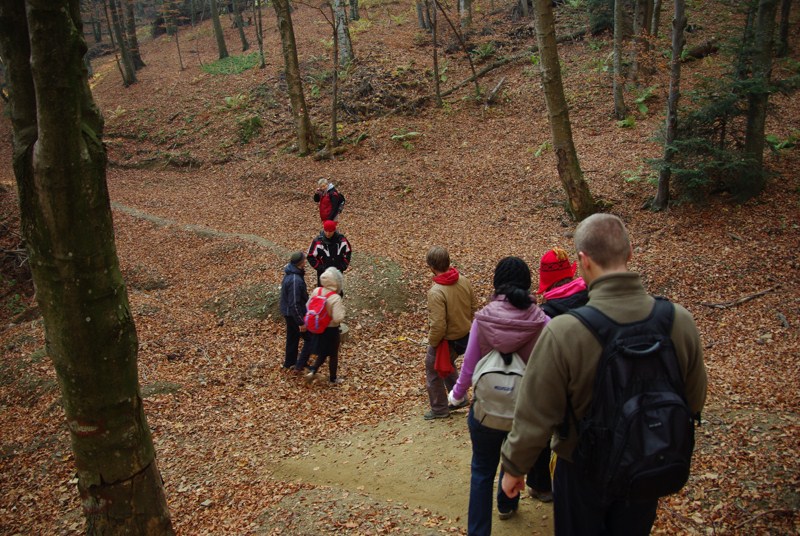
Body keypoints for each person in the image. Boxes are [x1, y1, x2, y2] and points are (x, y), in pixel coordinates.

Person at [500, 214, 708, 535]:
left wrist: (515, 467)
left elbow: (536, 413)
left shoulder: (564, 332)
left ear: (583, 260)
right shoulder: (679, 321)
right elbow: (694, 399)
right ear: (630, 252)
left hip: (582, 471)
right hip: (648, 460)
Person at [446, 257, 549, 534]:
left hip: (486, 411)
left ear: (496, 284)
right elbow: (549, 372)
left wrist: (456, 396)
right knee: (511, 457)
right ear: (528, 285)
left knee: (481, 470)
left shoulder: (483, 319)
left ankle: (478, 531)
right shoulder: (543, 322)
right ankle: (506, 504)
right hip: (523, 413)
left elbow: (468, 368)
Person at [519, 246, 591, 502]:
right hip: (593, 383)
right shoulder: (594, 298)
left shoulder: (545, 315)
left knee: (542, 426)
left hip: (559, 386)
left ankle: (541, 485)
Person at [423, 246, 474, 420]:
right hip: (465, 335)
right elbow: (473, 306)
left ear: (431, 267)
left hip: (448, 339)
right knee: (447, 363)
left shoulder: (436, 292)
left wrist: (432, 342)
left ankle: (439, 408)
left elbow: (438, 326)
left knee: (433, 368)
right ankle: (459, 398)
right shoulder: (464, 280)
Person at [304, 267, 346, 385]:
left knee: (323, 351)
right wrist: (342, 311)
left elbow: (308, 306)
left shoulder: (317, 291)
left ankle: (313, 371)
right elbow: (338, 318)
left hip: (318, 326)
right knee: (333, 354)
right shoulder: (335, 297)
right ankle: (333, 379)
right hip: (331, 329)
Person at [279, 251, 313, 371]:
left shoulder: (292, 273)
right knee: (310, 339)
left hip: (289, 313)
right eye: (304, 260)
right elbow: (294, 303)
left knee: (292, 337)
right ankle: (300, 364)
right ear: (300, 263)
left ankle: (289, 363)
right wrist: (301, 322)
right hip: (293, 314)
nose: (305, 261)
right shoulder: (295, 280)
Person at [307, 220, 352, 288]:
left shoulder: (342, 240)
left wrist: (343, 266)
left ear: (334, 230)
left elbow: (348, 252)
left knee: (337, 292)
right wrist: (320, 268)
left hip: (337, 272)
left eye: (330, 231)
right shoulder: (318, 241)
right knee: (323, 292)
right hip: (323, 274)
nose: (328, 234)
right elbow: (310, 256)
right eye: (326, 231)